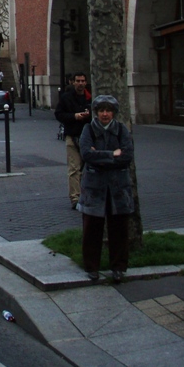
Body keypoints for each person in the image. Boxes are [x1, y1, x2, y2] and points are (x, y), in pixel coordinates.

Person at [79, 95, 134, 282]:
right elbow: (86, 154)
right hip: (94, 188)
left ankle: (118, 267)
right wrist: (112, 155)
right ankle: (91, 267)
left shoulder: (121, 130)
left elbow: (126, 156)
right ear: (96, 112)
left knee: (118, 229)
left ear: (114, 113)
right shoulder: (88, 129)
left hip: (118, 188)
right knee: (92, 229)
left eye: (108, 110)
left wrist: (100, 157)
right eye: (101, 110)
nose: (105, 114)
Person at [54, 73, 92, 210]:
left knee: (89, 168)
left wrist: (88, 116)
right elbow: (58, 114)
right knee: (74, 169)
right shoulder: (66, 98)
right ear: (73, 82)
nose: (80, 83)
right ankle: (75, 198)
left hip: (88, 138)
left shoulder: (90, 97)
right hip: (72, 136)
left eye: (83, 81)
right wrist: (74, 116)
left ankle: (88, 195)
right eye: (78, 81)